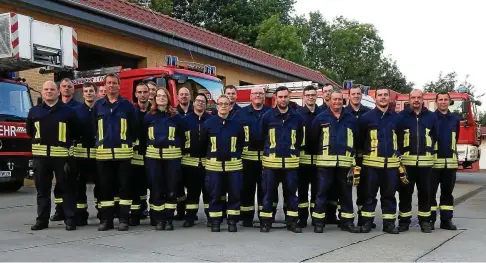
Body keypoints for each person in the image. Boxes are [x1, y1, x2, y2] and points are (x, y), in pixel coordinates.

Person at [27, 80, 79, 231]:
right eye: (46, 89)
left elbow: (75, 132)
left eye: (52, 89)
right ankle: (42, 220)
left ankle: (69, 219)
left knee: (66, 188)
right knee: (42, 190)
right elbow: (30, 131)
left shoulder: (68, 111)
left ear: (58, 92)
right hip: (41, 159)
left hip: (62, 158)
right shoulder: (34, 111)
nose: (49, 91)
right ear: (42, 92)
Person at [310, 90, 361, 233]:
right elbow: (313, 140)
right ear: (329, 101)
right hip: (325, 165)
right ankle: (319, 222)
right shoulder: (320, 118)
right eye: (334, 99)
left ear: (343, 101)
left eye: (340, 99)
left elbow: (358, 139)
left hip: (345, 164)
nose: (337, 102)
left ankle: (347, 222)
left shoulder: (350, 119)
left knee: (346, 194)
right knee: (321, 193)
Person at [94, 73, 139, 231]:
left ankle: (124, 220)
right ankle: (106, 221)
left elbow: (134, 128)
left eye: (114, 83)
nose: (111, 85)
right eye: (108, 83)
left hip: (123, 155)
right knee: (105, 188)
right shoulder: (98, 106)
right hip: (103, 155)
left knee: (125, 188)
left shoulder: (127, 106)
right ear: (104, 86)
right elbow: (93, 128)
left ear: (119, 86)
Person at [259, 86, 304, 233]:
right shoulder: (267, 116)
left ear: (289, 97)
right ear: (276, 98)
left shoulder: (297, 117)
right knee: (268, 194)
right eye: (280, 97)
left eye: (285, 97)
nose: (283, 99)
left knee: (291, 195)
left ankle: (292, 222)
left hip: (290, 164)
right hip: (271, 164)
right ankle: (266, 222)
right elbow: (261, 137)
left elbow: (300, 139)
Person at [357, 87, 400, 234]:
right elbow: (360, 140)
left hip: (391, 166)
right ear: (375, 98)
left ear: (389, 98)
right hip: (371, 166)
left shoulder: (396, 118)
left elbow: (399, 140)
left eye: (385, 95)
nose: (382, 97)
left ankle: (389, 224)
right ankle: (366, 223)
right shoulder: (366, 118)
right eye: (380, 95)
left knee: (389, 196)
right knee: (368, 196)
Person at [143, 87, 185, 231]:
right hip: (154, 159)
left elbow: (184, 135)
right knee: (156, 189)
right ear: (154, 99)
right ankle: (159, 219)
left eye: (164, 96)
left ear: (168, 99)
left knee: (171, 189)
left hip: (172, 159)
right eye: (158, 96)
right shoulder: (149, 116)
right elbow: (143, 137)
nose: (161, 98)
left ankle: (169, 219)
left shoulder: (175, 117)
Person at [201, 95, 245, 232]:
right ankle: (215, 221)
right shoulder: (208, 124)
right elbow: (203, 144)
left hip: (234, 167)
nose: (224, 106)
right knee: (214, 194)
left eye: (226, 104)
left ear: (231, 107)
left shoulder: (237, 125)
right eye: (221, 104)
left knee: (234, 194)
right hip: (214, 167)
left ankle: (232, 221)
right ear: (217, 106)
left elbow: (241, 144)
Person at [397, 89, 438, 233]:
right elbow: (396, 138)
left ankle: (425, 221)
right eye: (413, 97)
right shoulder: (401, 117)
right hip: (407, 163)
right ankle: (404, 221)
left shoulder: (432, 117)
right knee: (404, 193)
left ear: (423, 99)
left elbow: (436, 138)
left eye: (418, 97)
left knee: (425, 194)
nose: (416, 100)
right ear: (409, 100)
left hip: (426, 164)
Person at [235, 87, 271, 227]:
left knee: (265, 189)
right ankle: (247, 217)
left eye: (260, 94)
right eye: (255, 93)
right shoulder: (241, 114)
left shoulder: (270, 113)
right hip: (247, 159)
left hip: (265, 158)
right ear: (250, 97)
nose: (258, 96)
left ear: (264, 97)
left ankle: (265, 218)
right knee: (246, 189)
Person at [50, 78, 82, 222]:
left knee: (71, 182)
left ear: (73, 89)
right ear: (59, 90)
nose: (66, 89)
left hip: (72, 151)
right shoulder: (54, 106)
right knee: (59, 184)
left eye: (69, 86)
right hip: (57, 151)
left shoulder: (78, 107)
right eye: (64, 86)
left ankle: (72, 211)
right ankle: (59, 210)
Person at [181, 93, 212, 227]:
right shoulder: (185, 120)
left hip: (207, 162)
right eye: (198, 101)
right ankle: (190, 217)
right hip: (190, 162)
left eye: (203, 101)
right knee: (192, 192)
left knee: (208, 191)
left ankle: (211, 217)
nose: (200, 103)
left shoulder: (211, 120)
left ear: (206, 104)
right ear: (193, 103)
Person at [430, 92, 460, 231]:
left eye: (445, 100)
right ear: (436, 102)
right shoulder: (431, 118)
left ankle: (446, 220)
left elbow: (456, 138)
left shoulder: (455, 119)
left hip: (450, 163)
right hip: (433, 163)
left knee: (447, 193)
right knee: (430, 193)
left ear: (449, 101)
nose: (443, 102)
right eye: (440, 100)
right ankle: (429, 220)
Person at [296, 85, 323, 228]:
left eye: (313, 95)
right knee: (302, 190)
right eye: (308, 95)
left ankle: (316, 217)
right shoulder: (297, 114)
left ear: (316, 96)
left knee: (317, 191)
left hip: (319, 159)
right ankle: (302, 218)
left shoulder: (323, 113)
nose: (310, 97)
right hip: (303, 159)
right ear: (304, 97)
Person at [72, 82, 98, 226]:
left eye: (91, 91)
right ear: (82, 94)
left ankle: (102, 213)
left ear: (96, 93)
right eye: (86, 91)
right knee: (79, 186)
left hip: (96, 154)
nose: (88, 93)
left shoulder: (100, 109)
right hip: (80, 155)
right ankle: (81, 215)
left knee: (100, 185)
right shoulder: (76, 111)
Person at [344, 85, 370, 227]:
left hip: (363, 157)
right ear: (349, 96)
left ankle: (363, 218)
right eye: (353, 93)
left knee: (364, 189)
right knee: (346, 188)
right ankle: (346, 219)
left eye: (358, 94)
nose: (355, 96)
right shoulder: (343, 113)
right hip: (348, 157)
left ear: (362, 96)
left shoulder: (368, 113)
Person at [129, 82, 151, 226]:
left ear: (149, 94)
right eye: (140, 92)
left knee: (153, 185)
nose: (142, 95)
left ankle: (150, 210)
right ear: (135, 94)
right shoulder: (131, 111)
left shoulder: (154, 111)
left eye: (145, 92)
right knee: (136, 186)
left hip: (152, 154)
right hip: (136, 155)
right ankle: (136, 213)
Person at [175, 86, 194, 221]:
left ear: (190, 97)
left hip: (192, 156)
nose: (183, 96)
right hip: (177, 154)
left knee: (192, 185)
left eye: (186, 94)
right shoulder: (174, 112)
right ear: (177, 97)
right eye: (181, 94)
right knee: (178, 185)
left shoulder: (196, 112)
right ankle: (181, 211)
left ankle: (191, 214)